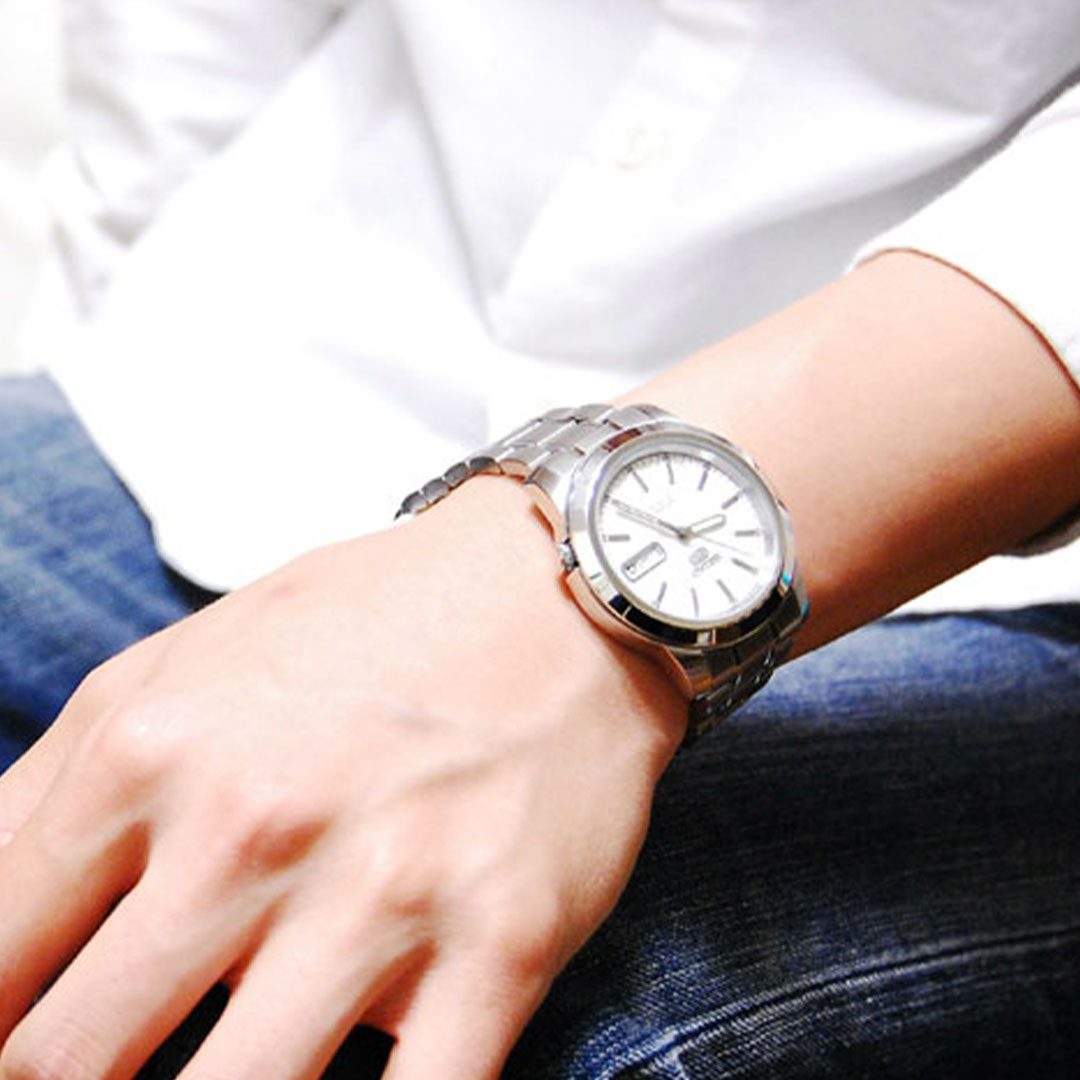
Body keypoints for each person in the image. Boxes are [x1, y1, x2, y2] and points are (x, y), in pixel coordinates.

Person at [1, 2, 1079, 1077]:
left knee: (533, 1001)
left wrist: (546, 607)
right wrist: (153, 312)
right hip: (301, 360)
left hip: (966, 543)